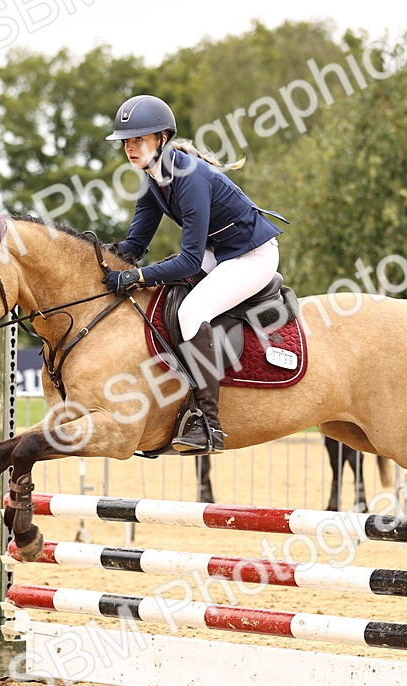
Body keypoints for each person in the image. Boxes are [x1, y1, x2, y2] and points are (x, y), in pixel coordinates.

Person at [101, 94, 286, 455]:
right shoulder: (154, 180)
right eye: (126, 141)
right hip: (219, 254)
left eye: (138, 139)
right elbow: (134, 246)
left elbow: (187, 261)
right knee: (164, 296)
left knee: (191, 312)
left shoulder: (190, 177)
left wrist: (137, 277)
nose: (130, 148)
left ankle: (208, 424)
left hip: (253, 255)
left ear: (163, 139)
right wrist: (99, 262)